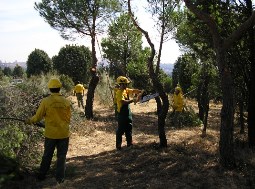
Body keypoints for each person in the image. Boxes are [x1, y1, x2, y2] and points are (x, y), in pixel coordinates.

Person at [25, 78, 71, 184]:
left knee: (47, 155)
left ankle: (42, 175)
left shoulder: (46, 101)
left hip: (51, 134)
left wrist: (29, 121)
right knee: (62, 156)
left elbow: (37, 117)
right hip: (64, 133)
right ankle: (60, 178)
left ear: (50, 88)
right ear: (59, 88)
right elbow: (68, 119)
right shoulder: (66, 101)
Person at [115, 76, 143, 150]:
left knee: (129, 129)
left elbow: (133, 91)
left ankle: (129, 144)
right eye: (125, 84)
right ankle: (118, 146)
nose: (126, 85)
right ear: (121, 84)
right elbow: (123, 102)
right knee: (120, 130)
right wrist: (132, 100)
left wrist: (140, 91)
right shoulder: (119, 92)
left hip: (128, 114)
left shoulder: (126, 90)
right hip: (122, 114)